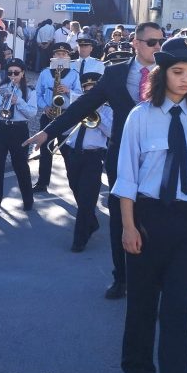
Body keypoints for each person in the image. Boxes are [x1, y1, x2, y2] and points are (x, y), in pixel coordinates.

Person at [23, 22, 187, 300]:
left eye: (161, 42)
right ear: (136, 43)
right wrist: (48, 131)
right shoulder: (115, 74)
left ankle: (155, 277)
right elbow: (84, 106)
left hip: (164, 161)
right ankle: (121, 277)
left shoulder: (175, 76)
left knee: (156, 222)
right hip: (123, 157)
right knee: (122, 220)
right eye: (152, 42)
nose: (158, 47)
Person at [112, 36, 187, 373]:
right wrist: (128, 227)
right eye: (177, 71)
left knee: (178, 312)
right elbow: (126, 177)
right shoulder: (139, 117)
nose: (185, 79)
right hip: (148, 219)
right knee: (141, 308)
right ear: (163, 73)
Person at [61, 70, 111, 252]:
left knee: (87, 197)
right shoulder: (77, 105)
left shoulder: (108, 109)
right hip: (73, 153)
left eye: (93, 90)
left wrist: (98, 117)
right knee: (76, 190)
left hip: (93, 156)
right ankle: (92, 222)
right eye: (86, 90)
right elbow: (65, 131)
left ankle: (79, 240)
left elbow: (112, 132)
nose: (89, 93)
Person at [0, 58, 37, 218]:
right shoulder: (0, 89)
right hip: (1, 128)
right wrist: (2, 102)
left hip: (19, 130)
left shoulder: (29, 91)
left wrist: (18, 101)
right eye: (10, 73)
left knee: (21, 167)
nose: (13, 76)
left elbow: (32, 113)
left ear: (22, 73)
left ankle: (28, 201)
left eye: (16, 73)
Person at [32, 42, 82, 194]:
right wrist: (45, 107)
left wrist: (68, 91)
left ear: (68, 56)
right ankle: (42, 182)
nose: (60, 56)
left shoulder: (74, 74)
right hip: (48, 115)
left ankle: (74, 181)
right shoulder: (45, 73)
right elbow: (38, 94)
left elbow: (80, 96)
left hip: (65, 116)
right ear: (53, 56)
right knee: (45, 150)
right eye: (57, 54)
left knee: (66, 151)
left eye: (64, 54)